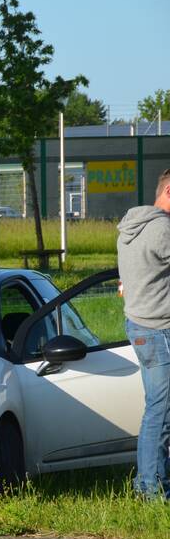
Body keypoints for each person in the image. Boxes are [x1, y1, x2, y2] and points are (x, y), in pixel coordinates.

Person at [117, 167, 170, 500]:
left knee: (160, 408)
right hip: (159, 330)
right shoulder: (163, 228)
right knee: (160, 409)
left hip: (139, 324)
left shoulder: (131, 227)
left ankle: (154, 482)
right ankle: (150, 489)